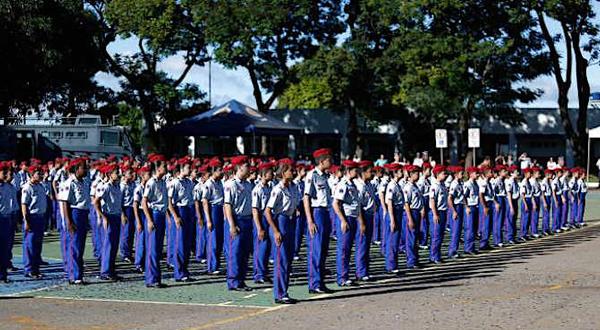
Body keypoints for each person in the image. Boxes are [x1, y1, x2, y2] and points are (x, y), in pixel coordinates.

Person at [264, 160, 299, 304]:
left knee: (288, 259)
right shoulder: (277, 189)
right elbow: (267, 211)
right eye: (291, 170)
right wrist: (276, 230)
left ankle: (284, 291)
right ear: (283, 172)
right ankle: (280, 293)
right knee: (281, 260)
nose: (294, 172)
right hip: (281, 222)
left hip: (290, 221)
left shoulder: (293, 187)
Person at [303, 148, 334, 294]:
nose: (331, 161)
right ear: (322, 161)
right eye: (329, 159)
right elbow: (306, 198)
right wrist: (310, 220)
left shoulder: (326, 176)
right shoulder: (312, 176)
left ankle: (320, 282)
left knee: (323, 250)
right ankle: (314, 283)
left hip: (325, 212)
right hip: (317, 213)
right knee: (316, 249)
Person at [223, 155, 254, 291]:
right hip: (237, 219)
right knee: (235, 252)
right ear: (240, 168)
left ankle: (241, 280)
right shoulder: (231, 184)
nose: (249, 169)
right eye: (247, 166)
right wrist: (231, 225)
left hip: (247, 219)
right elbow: (227, 205)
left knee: (245, 252)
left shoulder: (248, 184)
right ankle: (233, 281)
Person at [332, 160, 365, 286]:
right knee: (343, 249)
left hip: (353, 217)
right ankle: (342, 277)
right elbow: (336, 204)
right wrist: (343, 220)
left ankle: (346, 274)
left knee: (348, 249)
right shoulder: (343, 184)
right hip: (346, 218)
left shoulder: (353, 184)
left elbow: (356, 205)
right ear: (348, 171)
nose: (356, 172)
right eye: (354, 170)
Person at [58, 158, 91, 285]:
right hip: (75, 213)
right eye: (84, 168)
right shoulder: (69, 183)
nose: (86, 170)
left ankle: (78, 274)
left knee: (80, 246)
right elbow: (65, 203)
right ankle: (74, 275)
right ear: (77, 169)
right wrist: (69, 221)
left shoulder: (84, 182)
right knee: (75, 246)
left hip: (83, 213)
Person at [94, 164, 125, 281]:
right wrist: (103, 217)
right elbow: (96, 202)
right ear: (109, 174)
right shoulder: (106, 186)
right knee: (108, 245)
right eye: (116, 172)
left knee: (114, 245)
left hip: (116, 215)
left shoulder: (117, 187)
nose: (119, 174)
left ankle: (111, 270)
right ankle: (105, 271)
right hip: (109, 216)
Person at [167, 158, 196, 282]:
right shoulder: (174, 183)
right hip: (180, 210)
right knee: (180, 244)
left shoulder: (189, 182)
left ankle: (185, 270)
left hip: (189, 210)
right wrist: (175, 216)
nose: (190, 170)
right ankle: (179, 272)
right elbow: (169, 202)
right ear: (181, 169)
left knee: (187, 243)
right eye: (188, 168)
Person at [142, 155, 168, 288]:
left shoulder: (162, 182)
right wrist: (149, 220)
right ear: (157, 168)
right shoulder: (151, 182)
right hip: (155, 214)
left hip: (161, 214)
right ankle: (151, 279)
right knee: (152, 248)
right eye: (163, 166)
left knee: (157, 248)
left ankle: (156, 277)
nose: (166, 167)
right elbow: (144, 201)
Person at [20, 165, 49, 278]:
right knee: (29, 244)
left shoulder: (40, 186)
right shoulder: (27, 187)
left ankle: (36, 269)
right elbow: (24, 205)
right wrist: (26, 221)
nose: (41, 175)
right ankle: (29, 269)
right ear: (32, 175)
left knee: (37, 245)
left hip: (40, 217)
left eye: (41, 173)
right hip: (32, 217)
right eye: (39, 174)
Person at [251, 161, 275, 284]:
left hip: (268, 217)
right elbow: (255, 210)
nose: (273, 174)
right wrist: (259, 227)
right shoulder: (257, 189)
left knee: (267, 248)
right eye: (270, 172)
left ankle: (264, 272)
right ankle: (258, 274)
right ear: (264, 174)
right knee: (261, 247)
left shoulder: (270, 187)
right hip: (260, 218)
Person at [202, 158, 225, 275]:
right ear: (214, 171)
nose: (222, 172)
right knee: (213, 239)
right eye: (220, 170)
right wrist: (208, 219)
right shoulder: (208, 184)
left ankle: (216, 265)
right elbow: (205, 201)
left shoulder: (220, 182)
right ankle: (211, 266)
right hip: (213, 210)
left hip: (220, 209)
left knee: (219, 240)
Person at [355, 160, 376, 281]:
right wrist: (361, 222)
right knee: (362, 244)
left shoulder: (369, 184)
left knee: (367, 245)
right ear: (363, 172)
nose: (372, 173)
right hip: (363, 215)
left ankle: (365, 270)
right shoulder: (359, 186)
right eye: (370, 171)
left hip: (370, 214)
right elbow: (358, 206)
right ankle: (361, 272)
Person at [402, 165, 424, 269]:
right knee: (411, 238)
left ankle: (415, 259)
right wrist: (410, 219)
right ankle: (411, 261)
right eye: (416, 173)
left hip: (417, 212)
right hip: (411, 212)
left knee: (415, 237)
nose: (418, 175)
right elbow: (406, 203)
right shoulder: (408, 187)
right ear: (411, 174)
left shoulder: (415, 186)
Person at [428, 165, 448, 263]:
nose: (446, 175)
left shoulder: (442, 185)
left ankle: (437, 255)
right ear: (437, 174)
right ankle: (433, 256)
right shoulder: (434, 186)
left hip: (443, 211)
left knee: (440, 235)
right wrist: (435, 214)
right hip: (437, 211)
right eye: (443, 173)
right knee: (436, 236)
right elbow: (432, 201)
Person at [132, 166, 150, 273]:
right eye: (148, 174)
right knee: (141, 240)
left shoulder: (150, 186)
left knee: (148, 240)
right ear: (142, 176)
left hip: (148, 212)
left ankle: (146, 262)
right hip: (141, 213)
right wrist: (138, 221)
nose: (150, 176)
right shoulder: (138, 188)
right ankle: (138, 263)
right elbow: (135, 205)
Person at [119, 165, 137, 263]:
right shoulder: (122, 186)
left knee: (131, 233)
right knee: (125, 233)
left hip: (132, 209)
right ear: (124, 175)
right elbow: (119, 202)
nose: (132, 175)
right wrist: (122, 214)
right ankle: (125, 253)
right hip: (126, 209)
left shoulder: (132, 184)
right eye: (130, 173)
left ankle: (129, 252)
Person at [447, 166, 465, 258]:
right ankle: (452, 251)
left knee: (458, 230)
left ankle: (455, 249)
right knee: (455, 230)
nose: (463, 175)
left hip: (460, 206)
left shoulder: (460, 183)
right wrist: (453, 211)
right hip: (456, 207)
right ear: (456, 174)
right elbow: (450, 198)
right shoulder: (454, 184)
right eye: (461, 173)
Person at [463, 167, 480, 255]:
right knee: (469, 228)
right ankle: (468, 248)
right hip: (470, 207)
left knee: (474, 228)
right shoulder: (468, 184)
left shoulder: (475, 183)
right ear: (471, 174)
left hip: (475, 206)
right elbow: (464, 196)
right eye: (476, 173)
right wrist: (466, 207)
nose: (478, 174)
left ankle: (472, 247)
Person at [492, 165, 507, 248]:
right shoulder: (496, 181)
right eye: (504, 171)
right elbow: (492, 193)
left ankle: (499, 239)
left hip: (502, 198)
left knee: (501, 221)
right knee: (498, 221)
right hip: (498, 199)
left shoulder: (502, 180)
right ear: (500, 173)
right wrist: (496, 203)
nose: (506, 173)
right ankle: (497, 240)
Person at [540, 169, 554, 235]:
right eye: (551, 174)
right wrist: (544, 202)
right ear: (547, 174)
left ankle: (547, 228)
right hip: (545, 198)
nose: (552, 175)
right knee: (545, 215)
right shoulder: (544, 182)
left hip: (548, 197)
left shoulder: (549, 181)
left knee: (548, 215)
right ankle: (544, 229)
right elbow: (542, 193)